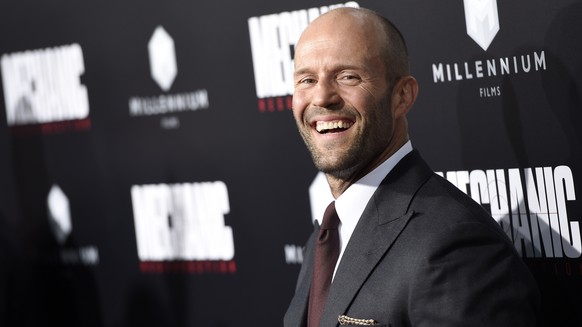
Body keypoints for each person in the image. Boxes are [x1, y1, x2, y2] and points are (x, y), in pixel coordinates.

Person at [284, 7, 540, 327]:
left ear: (402, 96)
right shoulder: (325, 237)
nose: (321, 96)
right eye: (307, 79)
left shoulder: (454, 243)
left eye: (348, 76)